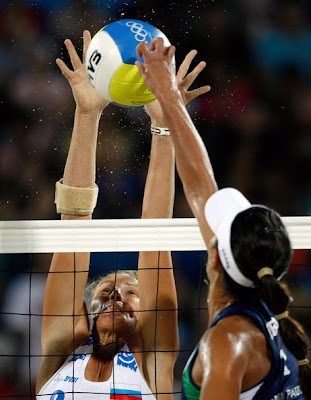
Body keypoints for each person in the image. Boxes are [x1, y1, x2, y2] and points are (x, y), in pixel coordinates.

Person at [135, 38, 311, 400]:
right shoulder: (264, 317)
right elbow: (200, 187)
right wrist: (169, 101)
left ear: (214, 257)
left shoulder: (229, 341)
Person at [35, 31, 210, 400]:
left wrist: (164, 130)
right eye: (109, 290)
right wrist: (86, 113)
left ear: (147, 317)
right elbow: (73, 231)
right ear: (85, 310)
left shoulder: (153, 365)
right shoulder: (60, 354)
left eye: (132, 292)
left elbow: (155, 237)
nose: (117, 294)